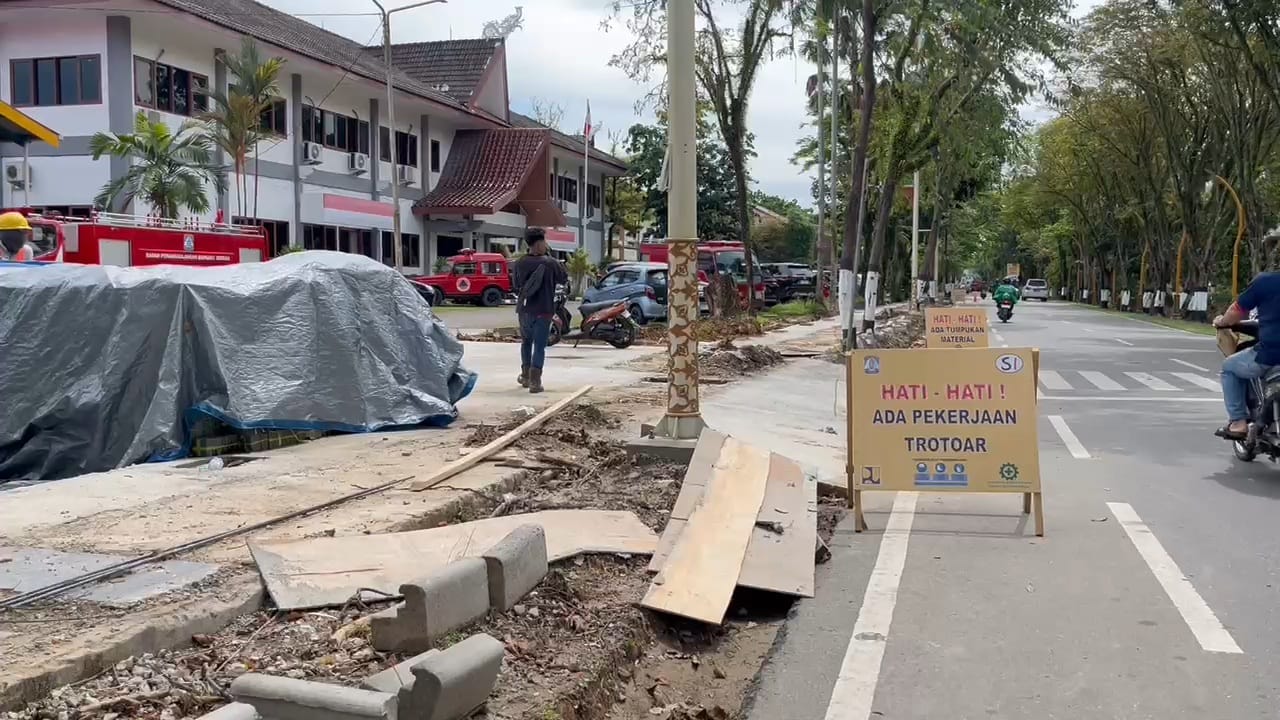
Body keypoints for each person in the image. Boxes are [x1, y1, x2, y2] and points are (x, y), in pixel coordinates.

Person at [1213, 273, 1280, 439]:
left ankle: (1237, 422)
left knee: (1229, 366)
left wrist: (1222, 321)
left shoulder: (1266, 282)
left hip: (1270, 355)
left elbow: (1236, 310)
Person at [512, 227, 567, 394]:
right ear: (539, 242)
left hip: (524, 310)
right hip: (544, 310)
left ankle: (525, 376)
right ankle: (535, 381)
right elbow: (563, 279)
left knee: (526, 342)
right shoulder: (550, 263)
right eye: (544, 241)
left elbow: (515, 286)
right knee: (540, 346)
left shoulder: (519, 262)